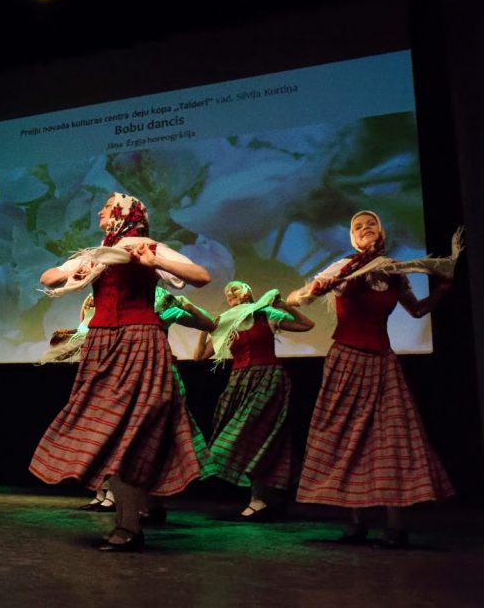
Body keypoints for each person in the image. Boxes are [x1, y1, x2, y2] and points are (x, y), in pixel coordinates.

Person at [30, 192, 211, 551]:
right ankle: (130, 521)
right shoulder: (96, 253)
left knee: (130, 433)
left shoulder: (146, 247)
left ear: (126, 213)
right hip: (101, 344)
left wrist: (153, 262)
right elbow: (48, 277)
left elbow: (201, 276)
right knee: (108, 433)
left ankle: (130, 524)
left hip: (140, 338)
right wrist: (72, 273)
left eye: (107, 206)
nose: (100, 210)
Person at [287, 210, 456, 547]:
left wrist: (443, 288)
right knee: (347, 438)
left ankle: (396, 527)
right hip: (347, 360)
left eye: (371, 224)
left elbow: (416, 310)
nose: (365, 228)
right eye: (357, 226)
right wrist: (318, 288)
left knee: (392, 440)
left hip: (383, 362)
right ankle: (357, 523)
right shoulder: (343, 268)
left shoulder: (393, 272)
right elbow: (295, 299)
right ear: (352, 237)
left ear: (381, 232)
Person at [194, 280, 314, 519]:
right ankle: (264, 498)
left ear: (248, 292)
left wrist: (283, 305)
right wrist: (205, 328)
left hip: (268, 379)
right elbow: (199, 356)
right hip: (239, 383)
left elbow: (307, 325)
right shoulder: (227, 321)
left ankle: (260, 499)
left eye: (237, 288)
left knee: (262, 439)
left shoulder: (266, 314)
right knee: (241, 441)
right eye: (228, 292)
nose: (231, 293)